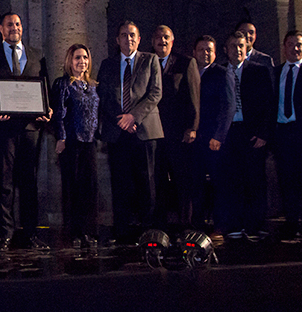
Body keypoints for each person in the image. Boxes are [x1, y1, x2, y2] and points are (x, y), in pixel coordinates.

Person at [0, 12, 51, 251]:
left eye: (18, 24)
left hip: (31, 127)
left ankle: (31, 233)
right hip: (3, 127)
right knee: (4, 183)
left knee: (29, 182)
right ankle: (5, 235)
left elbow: (44, 86)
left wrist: (47, 109)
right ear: (1, 29)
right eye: (10, 24)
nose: (15, 27)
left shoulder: (36, 55)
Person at [96, 20, 163, 242]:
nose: (129, 39)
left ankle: (148, 231)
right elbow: (103, 96)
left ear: (139, 38)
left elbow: (155, 93)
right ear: (117, 40)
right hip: (117, 131)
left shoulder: (150, 60)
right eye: (124, 35)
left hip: (144, 130)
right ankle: (122, 231)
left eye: (132, 35)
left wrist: (134, 116)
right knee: (120, 183)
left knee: (147, 182)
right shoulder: (108, 64)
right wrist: (121, 120)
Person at [218, 31, 274, 241]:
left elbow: (269, 104)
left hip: (252, 133)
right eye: (234, 46)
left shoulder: (258, 71)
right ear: (226, 50)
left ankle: (256, 225)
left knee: (255, 180)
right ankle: (235, 224)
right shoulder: (220, 72)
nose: (238, 50)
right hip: (229, 133)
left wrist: (263, 134)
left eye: (242, 46)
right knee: (232, 180)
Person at [150, 25, 200, 229]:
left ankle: (185, 225)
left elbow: (194, 98)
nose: (162, 41)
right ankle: (160, 227)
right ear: (152, 42)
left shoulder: (186, 63)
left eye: (166, 37)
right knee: (159, 183)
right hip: (154, 133)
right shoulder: (147, 63)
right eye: (158, 37)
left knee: (182, 181)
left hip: (179, 134)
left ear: (172, 41)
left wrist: (193, 127)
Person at [52, 44, 100, 249]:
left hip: (89, 143)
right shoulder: (63, 84)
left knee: (89, 189)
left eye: (85, 58)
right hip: (71, 142)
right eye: (77, 58)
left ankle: (88, 231)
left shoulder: (93, 85)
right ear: (69, 61)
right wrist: (61, 138)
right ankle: (73, 232)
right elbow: (59, 114)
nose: (82, 61)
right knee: (72, 189)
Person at [273, 31, 302, 240]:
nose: (295, 48)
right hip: (282, 132)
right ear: (284, 48)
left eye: (299, 45)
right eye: (291, 44)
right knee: (286, 178)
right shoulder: (275, 72)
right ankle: (291, 220)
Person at [191, 35, 234, 240]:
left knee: (219, 184)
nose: (205, 53)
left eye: (209, 50)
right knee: (196, 184)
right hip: (194, 140)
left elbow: (228, 106)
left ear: (215, 53)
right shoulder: (190, 73)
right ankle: (198, 226)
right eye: (201, 50)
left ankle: (221, 226)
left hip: (214, 140)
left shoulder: (222, 73)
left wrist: (219, 135)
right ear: (194, 52)